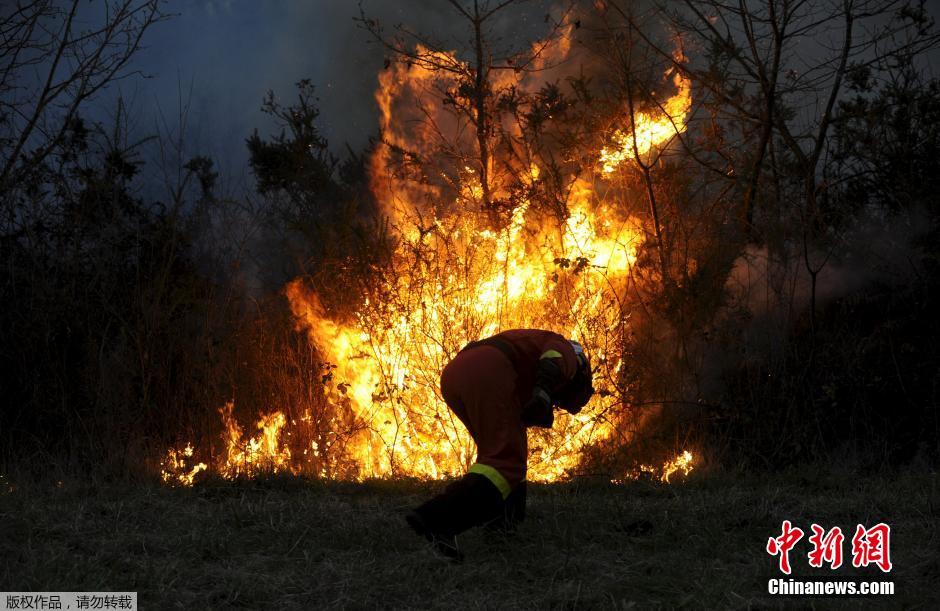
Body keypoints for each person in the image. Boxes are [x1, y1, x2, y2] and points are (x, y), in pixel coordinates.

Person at [405, 328, 594, 560]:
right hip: (489, 368)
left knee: (501, 459)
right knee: (504, 463)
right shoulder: (568, 350)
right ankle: (438, 518)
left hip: (456, 374)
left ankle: (502, 530)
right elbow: (555, 357)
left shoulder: (530, 356)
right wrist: (544, 393)